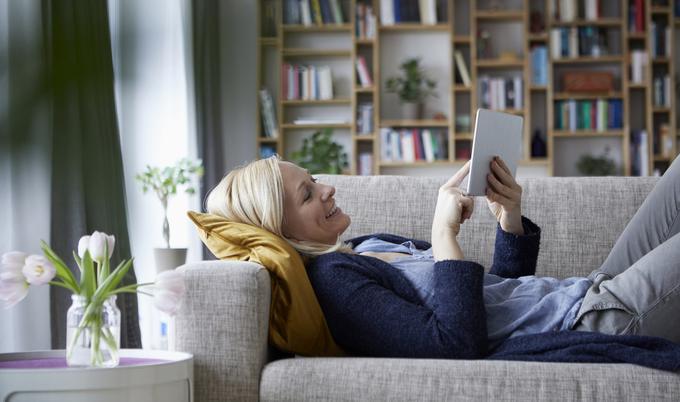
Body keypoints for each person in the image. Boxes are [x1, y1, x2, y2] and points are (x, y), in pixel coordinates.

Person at [205, 154, 680, 358]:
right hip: (598, 319)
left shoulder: (366, 247)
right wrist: (443, 231)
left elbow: (501, 298)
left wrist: (508, 217)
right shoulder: (335, 282)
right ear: (281, 230)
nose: (328, 188)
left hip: (590, 288)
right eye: (308, 194)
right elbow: (458, 343)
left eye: (314, 179)